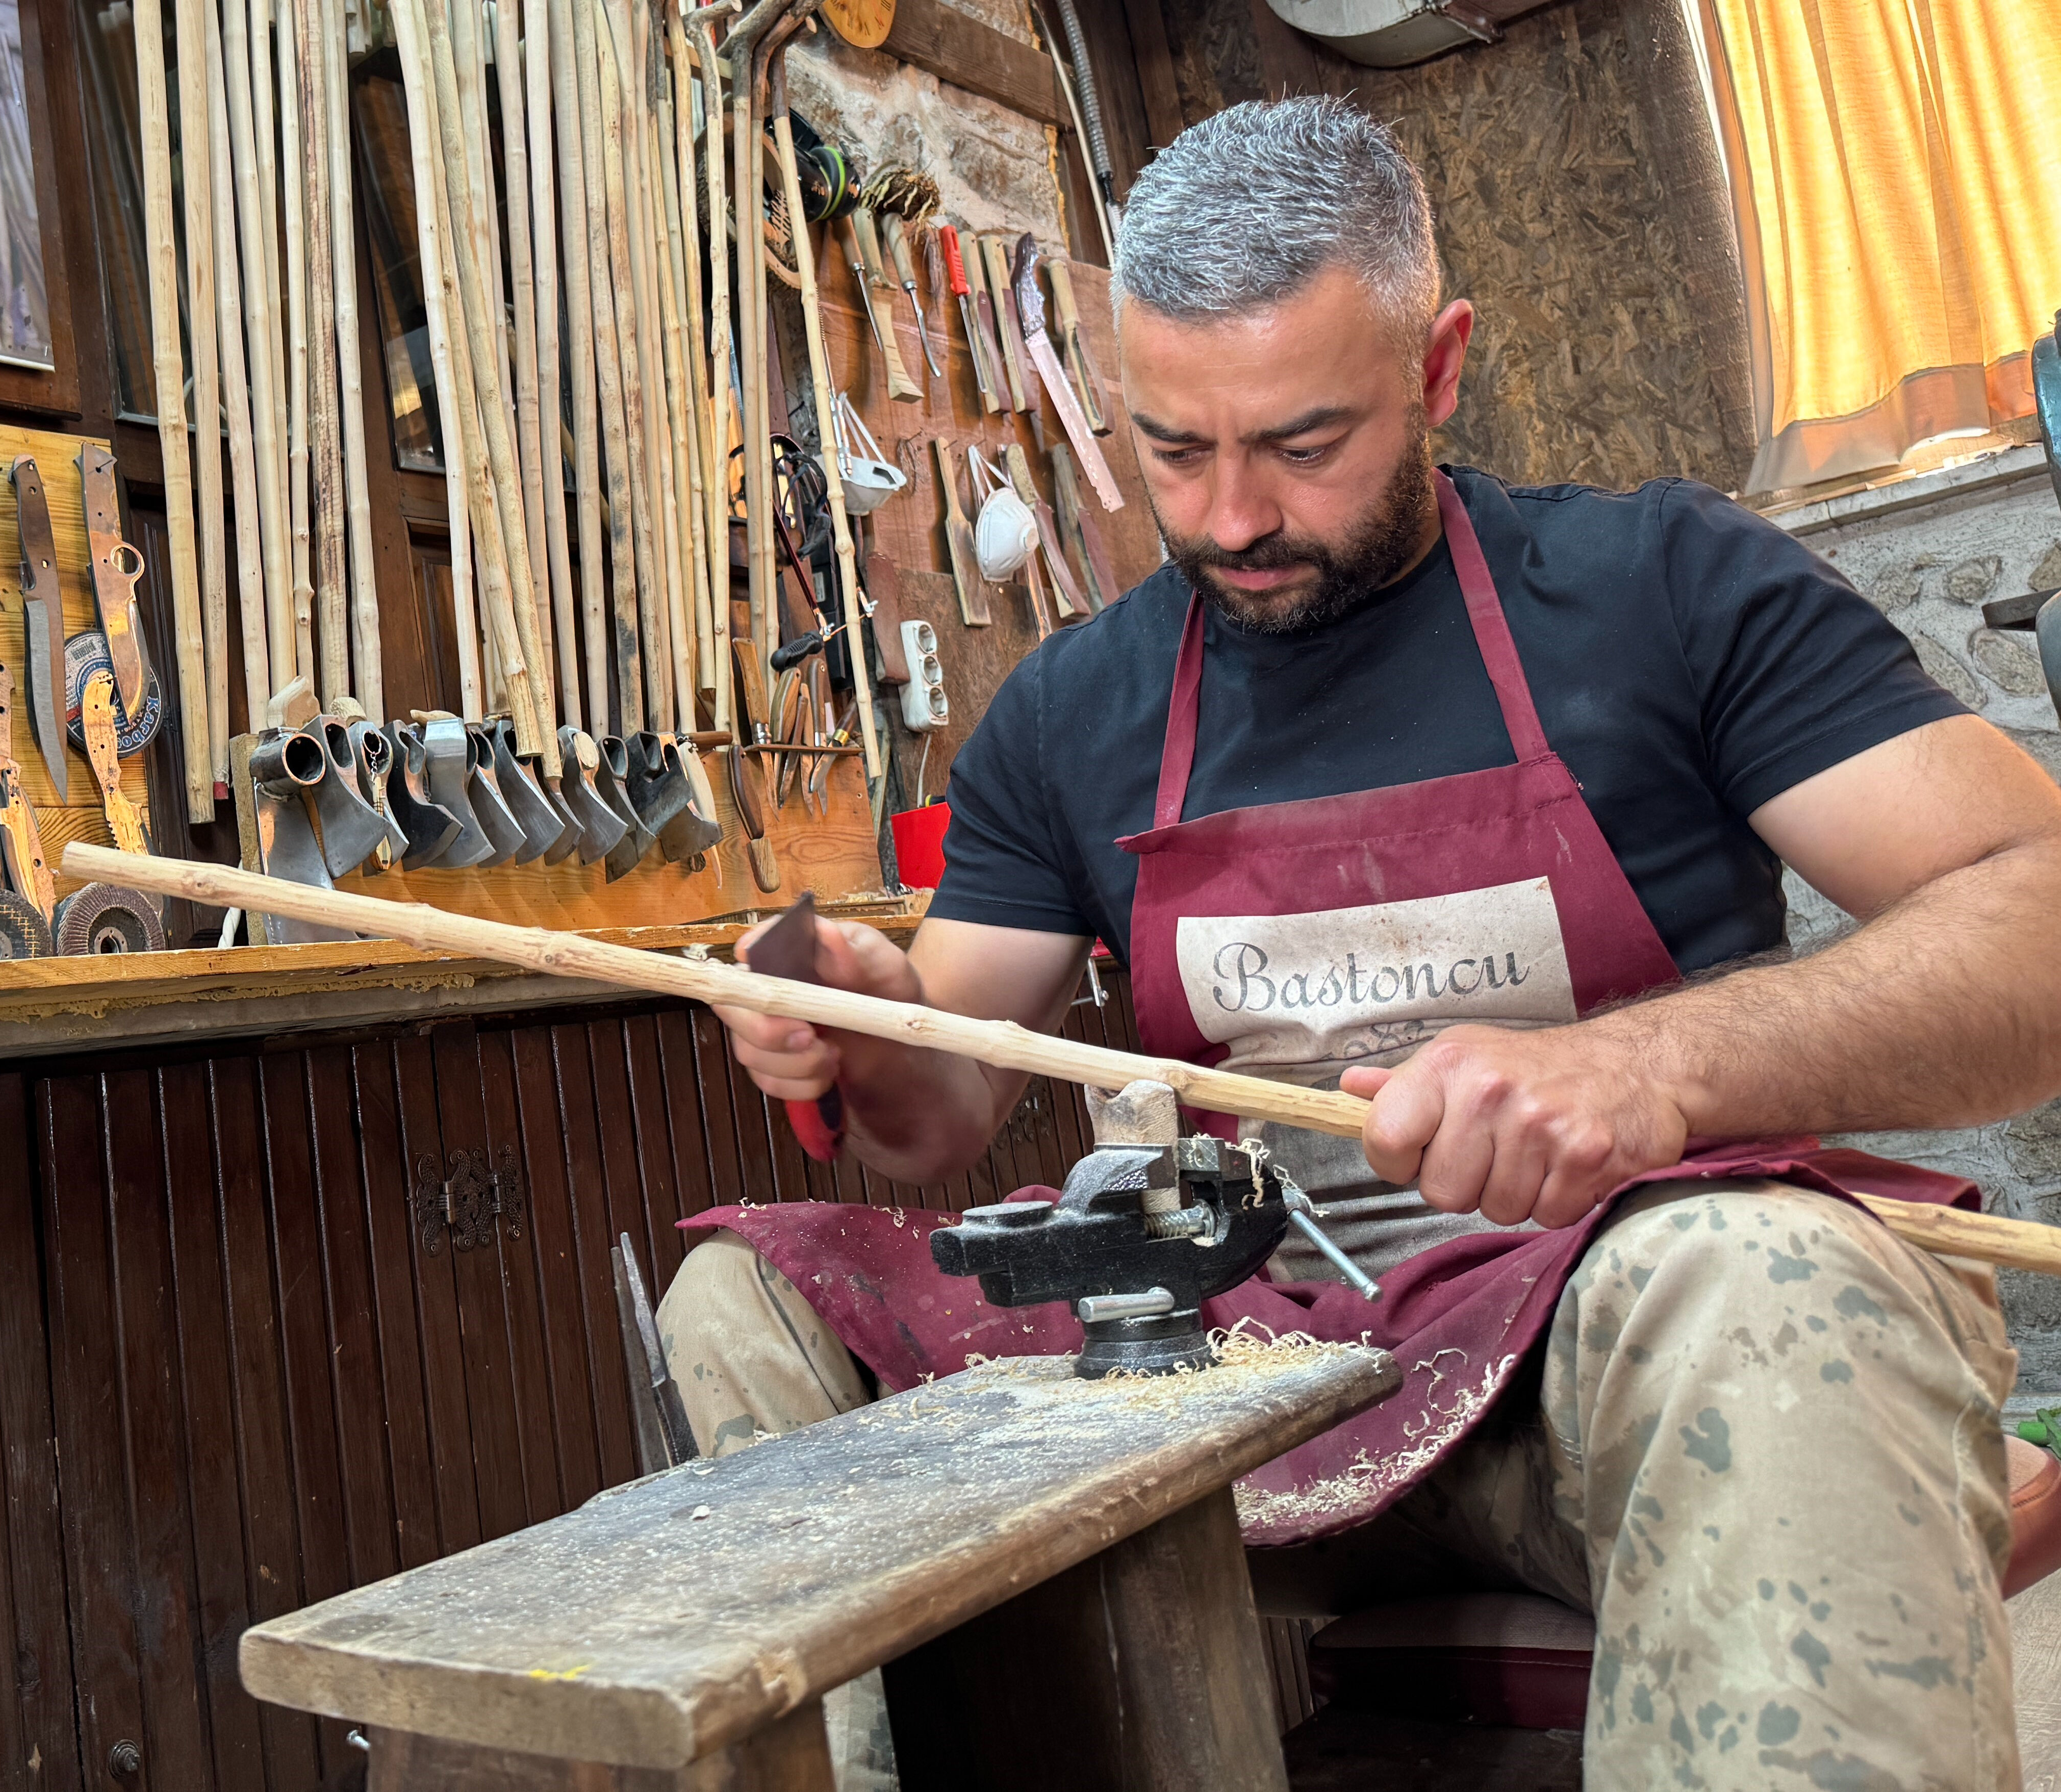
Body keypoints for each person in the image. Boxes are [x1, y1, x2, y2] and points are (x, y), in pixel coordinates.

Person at [681, 96, 2061, 1788]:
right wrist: (871, 1028)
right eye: (1175, 452)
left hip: (1604, 1375)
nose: (1234, 518)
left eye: (1303, 443)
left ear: (1439, 367)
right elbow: (945, 1107)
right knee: (752, 1294)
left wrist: (1655, 1058)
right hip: (1228, 1379)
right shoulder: (1071, 708)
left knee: (1766, 1278)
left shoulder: (1663, 589)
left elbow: (2034, 910)